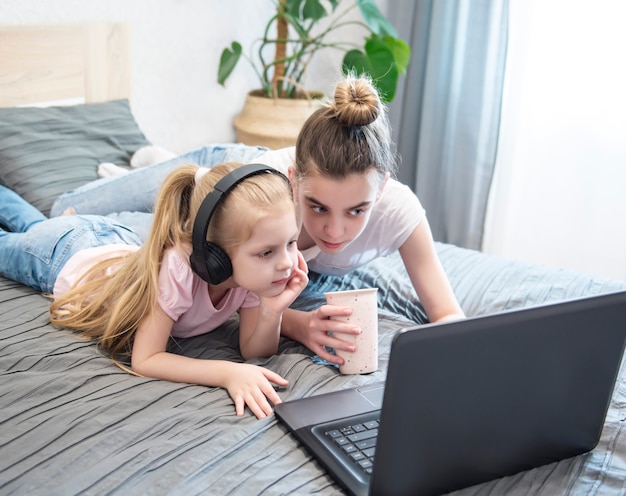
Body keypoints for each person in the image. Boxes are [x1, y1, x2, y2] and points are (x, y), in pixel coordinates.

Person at [49, 75, 465, 367]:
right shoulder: (270, 197)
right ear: (294, 182)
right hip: (224, 177)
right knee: (69, 211)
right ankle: (150, 165)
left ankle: (150, 161)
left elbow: (447, 313)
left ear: (383, 188)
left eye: (357, 210)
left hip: (252, 182)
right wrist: (300, 325)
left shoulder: (399, 211)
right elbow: (224, 280)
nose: (335, 232)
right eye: (317, 207)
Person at [0, 162, 308, 419]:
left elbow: (254, 352)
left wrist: (272, 311)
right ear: (215, 257)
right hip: (65, 254)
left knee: (33, 224)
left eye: (291, 243)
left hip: (111, 239)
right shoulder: (179, 269)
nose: (286, 263)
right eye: (267, 252)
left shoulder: (251, 277)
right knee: (30, 233)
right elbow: (146, 359)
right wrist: (227, 373)